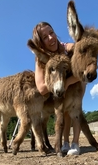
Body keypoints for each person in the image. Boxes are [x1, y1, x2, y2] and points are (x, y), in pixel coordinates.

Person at [32, 21, 85, 155]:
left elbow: (84, 68)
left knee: (75, 106)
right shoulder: (40, 59)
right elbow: (42, 88)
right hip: (56, 89)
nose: (51, 38)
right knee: (64, 111)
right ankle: (65, 142)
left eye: (51, 33)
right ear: (40, 43)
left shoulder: (67, 47)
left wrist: (67, 83)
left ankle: (76, 142)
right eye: (45, 37)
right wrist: (58, 84)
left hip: (74, 84)